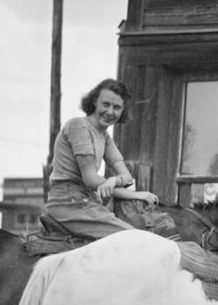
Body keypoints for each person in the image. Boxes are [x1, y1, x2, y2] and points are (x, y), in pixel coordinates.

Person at [46, 78, 159, 239]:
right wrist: (135, 194)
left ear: (123, 111)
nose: (110, 112)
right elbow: (91, 179)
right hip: (68, 202)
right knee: (133, 238)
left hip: (88, 202)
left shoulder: (104, 137)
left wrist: (113, 180)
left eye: (117, 107)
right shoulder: (78, 126)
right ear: (94, 102)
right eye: (105, 104)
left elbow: (126, 176)